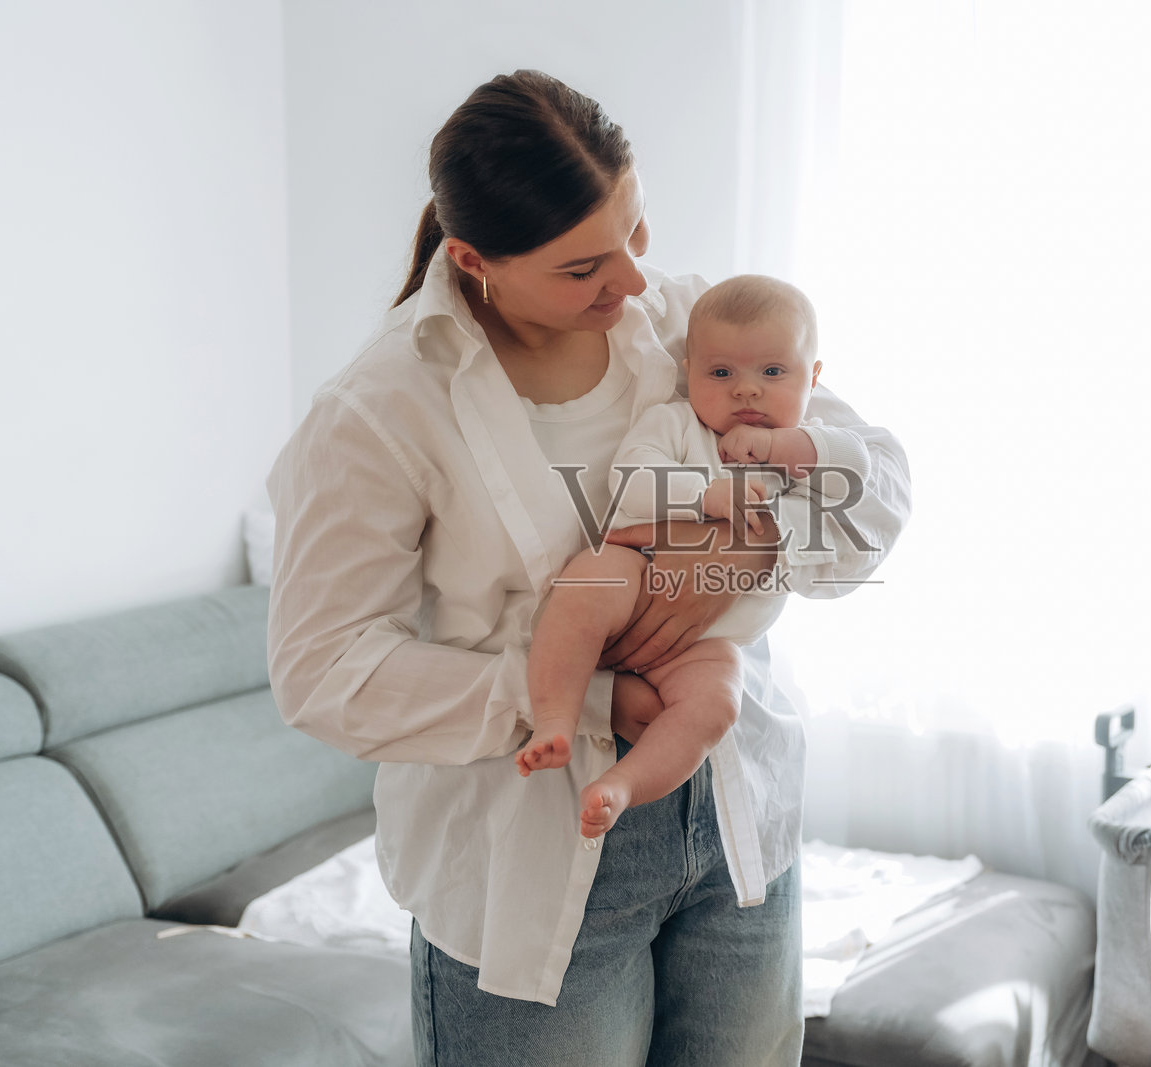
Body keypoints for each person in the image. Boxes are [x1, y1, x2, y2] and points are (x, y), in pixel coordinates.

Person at [264, 69, 909, 1067]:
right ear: (475, 259)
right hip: (531, 855)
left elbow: (879, 484)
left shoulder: (698, 330)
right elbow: (323, 669)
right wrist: (585, 698)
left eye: (636, 233)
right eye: (583, 268)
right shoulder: (381, 410)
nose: (637, 283)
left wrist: (756, 537)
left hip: (737, 818)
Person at [519, 274, 830, 843]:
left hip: (707, 645)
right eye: (721, 373)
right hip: (633, 585)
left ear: (813, 378)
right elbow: (629, 480)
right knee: (593, 574)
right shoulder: (675, 423)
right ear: (689, 372)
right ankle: (557, 718)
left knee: (717, 704)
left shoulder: (810, 453)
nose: (746, 391)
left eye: (772, 372)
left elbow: (857, 516)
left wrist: (763, 535)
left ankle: (621, 787)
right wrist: (703, 495)